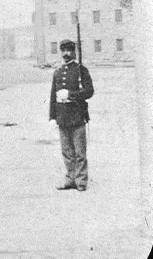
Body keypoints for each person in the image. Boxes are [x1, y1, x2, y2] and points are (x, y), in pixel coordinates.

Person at [49, 39, 94, 191]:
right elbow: (52, 97)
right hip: (62, 117)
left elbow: (89, 91)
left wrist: (71, 94)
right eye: (63, 50)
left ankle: (81, 182)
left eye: (69, 50)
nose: (66, 53)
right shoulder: (58, 72)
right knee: (67, 152)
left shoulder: (81, 70)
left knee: (80, 152)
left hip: (77, 116)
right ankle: (70, 180)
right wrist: (52, 117)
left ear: (74, 51)